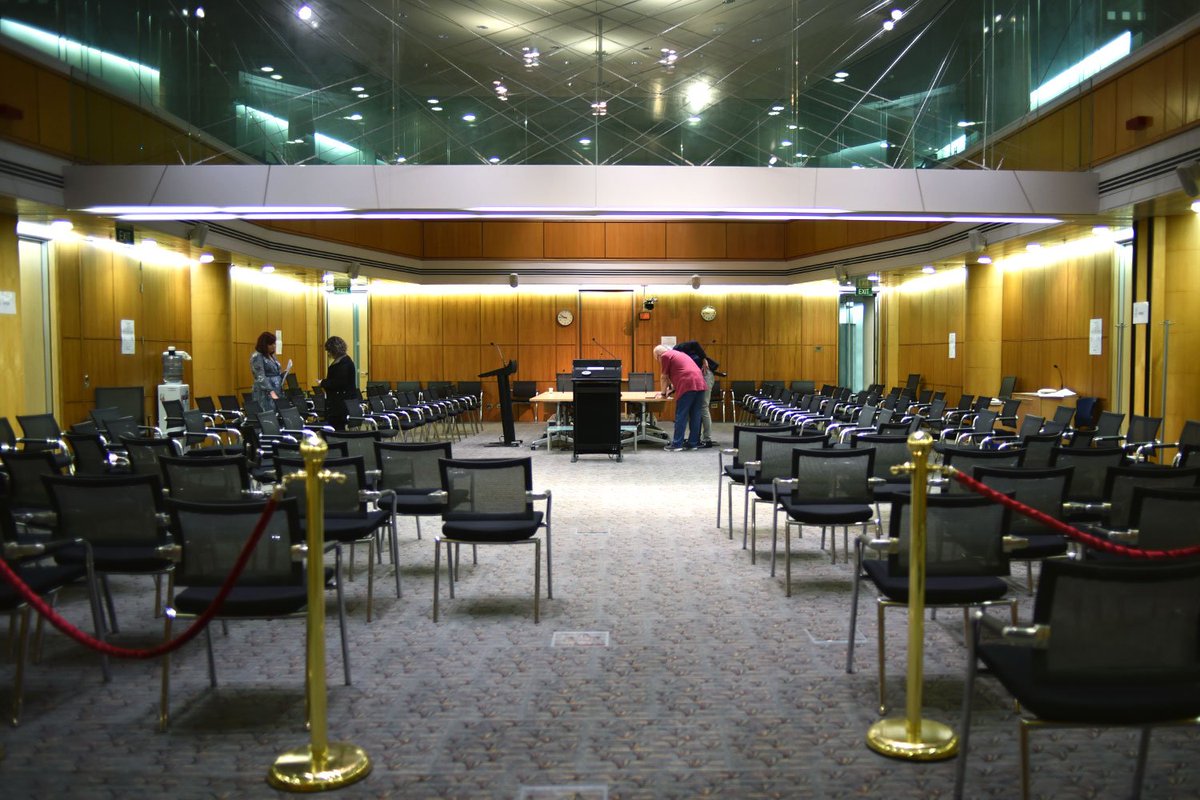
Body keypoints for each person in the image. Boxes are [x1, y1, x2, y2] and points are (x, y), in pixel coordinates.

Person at [653, 343, 706, 451]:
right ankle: (693, 443)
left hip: (687, 384)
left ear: (658, 355)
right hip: (700, 383)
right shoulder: (678, 354)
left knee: (681, 414)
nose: (659, 361)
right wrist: (670, 390)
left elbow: (664, 376)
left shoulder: (665, 356)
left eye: (657, 359)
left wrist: (663, 393)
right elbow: (681, 372)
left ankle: (677, 444)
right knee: (696, 414)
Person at [673, 340, 722, 448]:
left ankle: (707, 439)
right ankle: (696, 438)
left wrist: (704, 359)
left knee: (703, 407)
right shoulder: (678, 356)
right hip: (699, 376)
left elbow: (695, 343)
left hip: (705, 374)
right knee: (696, 408)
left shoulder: (677, 348)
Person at [320, 335, 358, 430]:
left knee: (337, 428)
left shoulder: (343, 363)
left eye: (329, 351)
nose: (328, 353)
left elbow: (339, 383)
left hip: (340, 404)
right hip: (342, 402)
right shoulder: (345, 361)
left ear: (333, 350)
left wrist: (323, 383)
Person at [249, 331, 284, 414]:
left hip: (277, 390)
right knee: (268, 415)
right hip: (265, 393)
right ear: (264, 345)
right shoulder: (257, 356)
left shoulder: (271, 356)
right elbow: (260, 377)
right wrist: (272, 392)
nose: (274, 346)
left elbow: (276, 371)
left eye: (274, 344)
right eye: (271, 344)